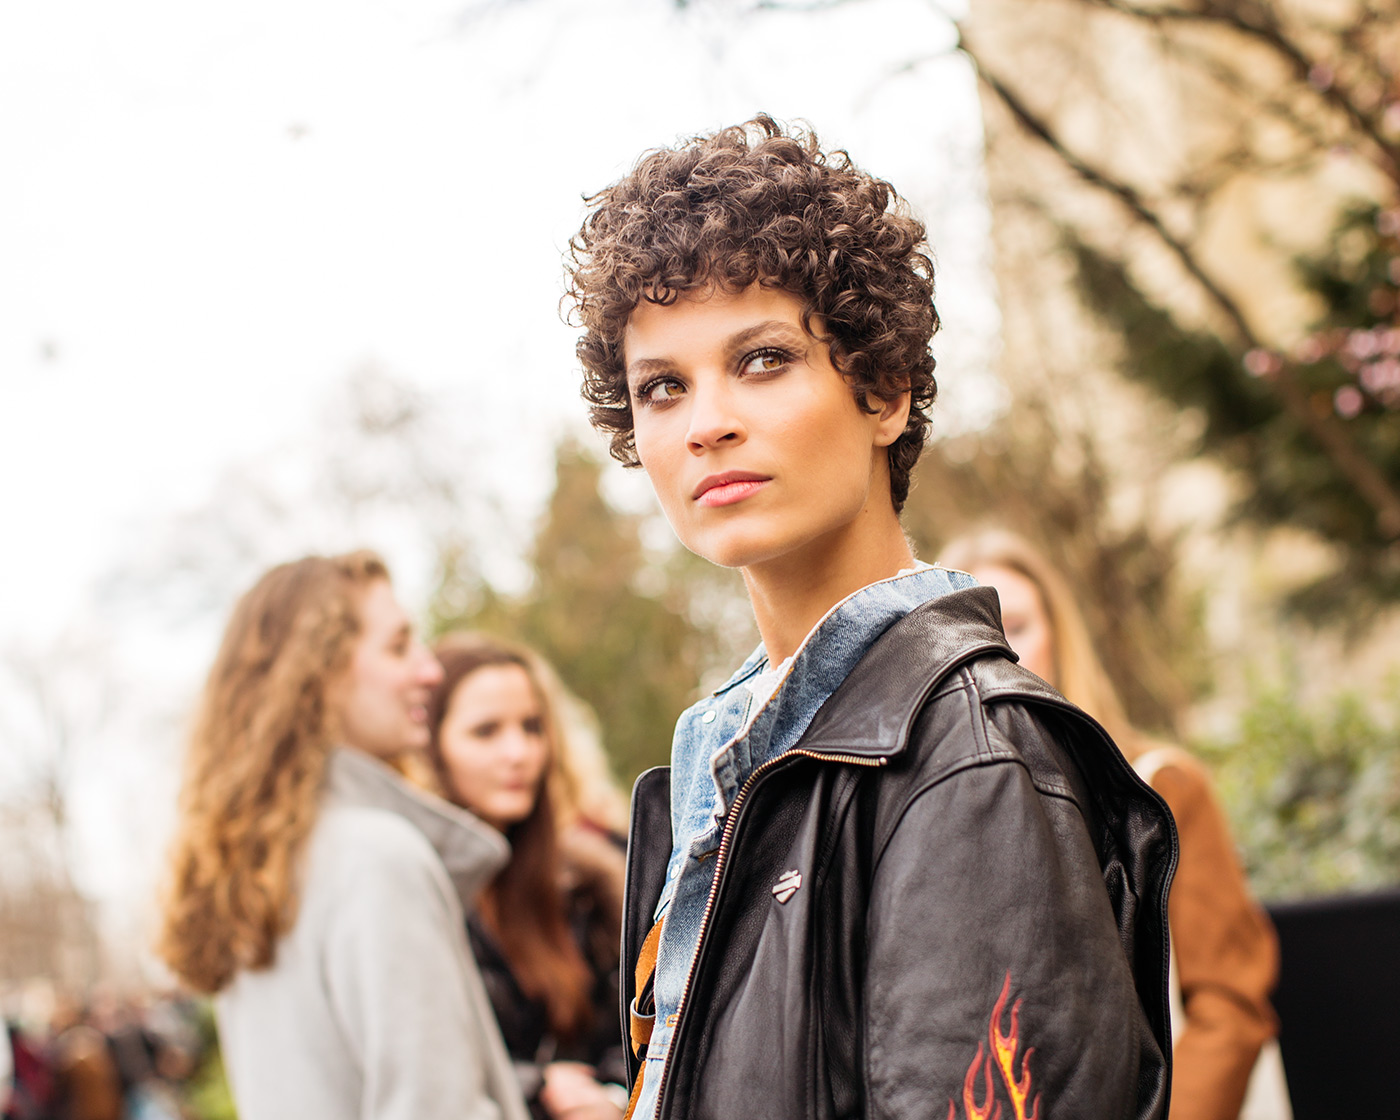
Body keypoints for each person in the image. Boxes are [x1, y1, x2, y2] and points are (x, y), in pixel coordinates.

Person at [565, 114, 1177, 1120]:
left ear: (881, 389)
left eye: (760, 359)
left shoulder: (969, 759)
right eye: (661, 387)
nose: (704, 422)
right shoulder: (722, 760)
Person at [156, 551, 529, 1120]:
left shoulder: (260, 871)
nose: (429, 671)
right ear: (321, 672)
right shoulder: (376, 858)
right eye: (400, 646)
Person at [941, 529, 1287, 1120]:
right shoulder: (941, 825)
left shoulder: (1163, 786)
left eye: (1016, 627)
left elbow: (1229, 1006)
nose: (998, 660)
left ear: (1059, 633)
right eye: (974, 642)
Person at [422, 633, 630, 1120]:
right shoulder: (414, 884)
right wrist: (539, 1087)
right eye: (486, 731)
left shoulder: (587, 884)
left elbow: (645, 1023)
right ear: (432, 747)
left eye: (532, 727)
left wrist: (612, 1096)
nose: (519, 752)